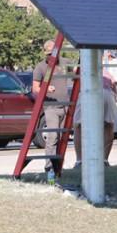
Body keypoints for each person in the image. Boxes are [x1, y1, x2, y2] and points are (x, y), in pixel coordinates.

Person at [31, 39, 72, 172]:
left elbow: (76, 74)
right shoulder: (41, 67)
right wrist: (46, 88)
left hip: (66, 106)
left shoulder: (65, 64)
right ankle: (49, 167)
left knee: (62, 138)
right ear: (45, 53)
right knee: (52, 137)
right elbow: (35, 88)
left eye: (53, 53)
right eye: (48, 53)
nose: (51, 56)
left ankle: (58, 167)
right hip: (51, 107)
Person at [73, 55, 117, 168]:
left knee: (78, 125)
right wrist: (114, 97)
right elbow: (115, 84)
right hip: (107, 92)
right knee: (108, 125)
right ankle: (104, 159)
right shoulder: (104, 71)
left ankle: (80, 160)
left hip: (89, 92)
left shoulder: (82, 67)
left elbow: (74, 77)